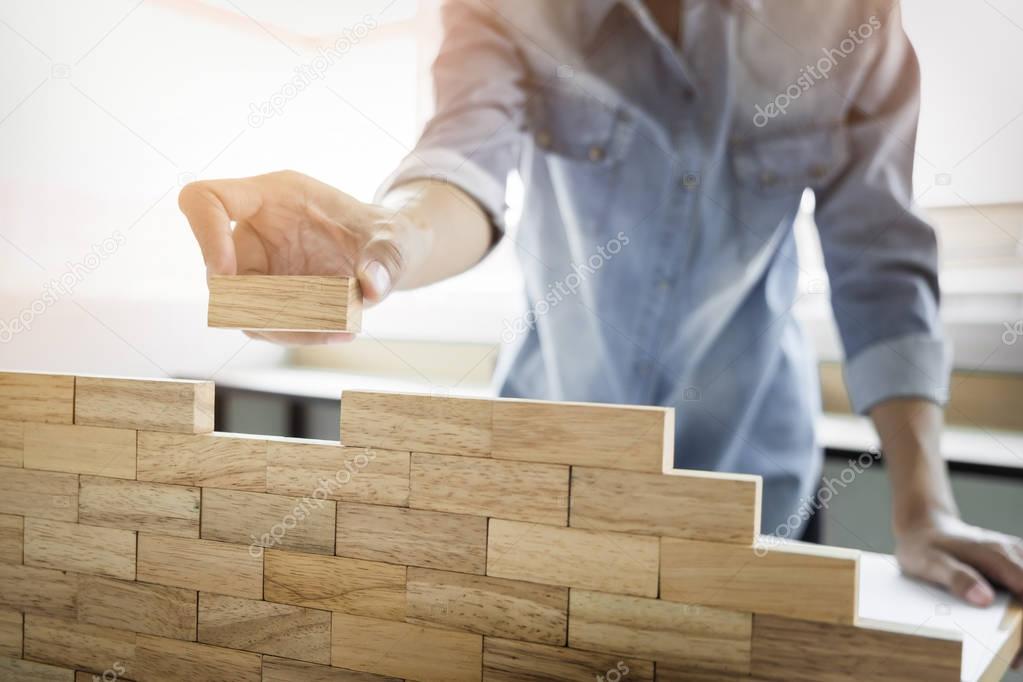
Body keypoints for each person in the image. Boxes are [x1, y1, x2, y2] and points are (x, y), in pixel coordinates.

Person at [178, 0, 1023, 619]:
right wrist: (384, 239)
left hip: (752, 477)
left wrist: (921, 507)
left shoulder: (851, 17)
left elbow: (879, 258)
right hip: (548, 470)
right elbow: (463, 162)